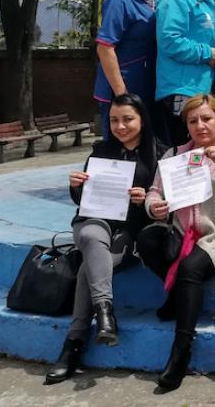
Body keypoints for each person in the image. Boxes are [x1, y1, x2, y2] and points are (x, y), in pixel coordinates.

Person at [45, 93, 164, 384]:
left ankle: (74, 343)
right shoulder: (100, 151)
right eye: (114, 120)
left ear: (142, 120)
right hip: (95, 221)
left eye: (127, 119)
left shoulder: (159, 154)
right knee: (89, 233)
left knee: (90, 265)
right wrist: (76, 187)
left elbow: (163, 205)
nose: (120, 126)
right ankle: (105, 313)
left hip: (128, 234)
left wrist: (145, 200)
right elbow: (83, 200)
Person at [137, 93, 215, 391]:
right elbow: (154, 192)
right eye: (193, 120)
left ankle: (181, 350)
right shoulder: (174, 155)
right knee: (147, 241)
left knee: (189, 269)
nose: (200, 126)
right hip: (179, 232)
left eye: (207, 118)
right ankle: (176, 297)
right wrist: (154, 206)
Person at [155, 0, 215, 146]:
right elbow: (169, 41)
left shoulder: (206, 0)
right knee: (184, 159)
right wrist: (208, 53)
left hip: (201, 90)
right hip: (181, 91)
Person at [92, 0, 161, 140]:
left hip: (145, 90)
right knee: (120, 154)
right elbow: (105, 48)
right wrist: (122, 95)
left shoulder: (153, 2)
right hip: (123, 93)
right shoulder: (119, 1)